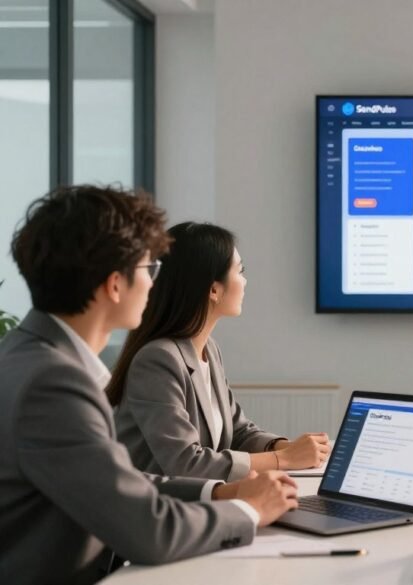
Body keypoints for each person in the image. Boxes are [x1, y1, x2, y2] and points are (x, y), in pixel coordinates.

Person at [0, 185, 298, 584]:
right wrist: (251, 512)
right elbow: (150, 532)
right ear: (114, 284)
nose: (154, 284)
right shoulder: (53, 384)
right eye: (148, 269)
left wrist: (222, 493)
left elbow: (119, 480)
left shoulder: (27, 355)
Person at [107, 222, 330, 481]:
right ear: (214, 289)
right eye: (240, 271)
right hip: (157, 511)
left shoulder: (208, 350)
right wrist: (285, 460)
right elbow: (185, 463)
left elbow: (238, 432)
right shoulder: (158, 359)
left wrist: (286, 447)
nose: (245, 281)